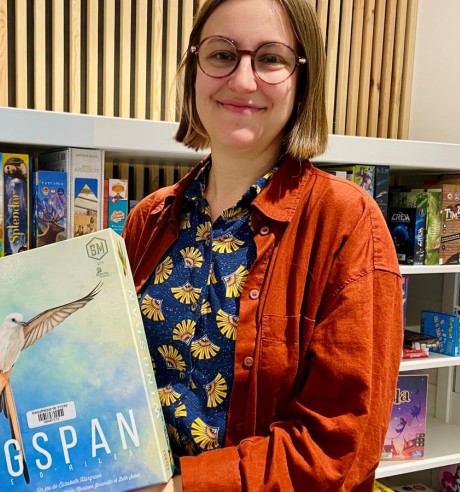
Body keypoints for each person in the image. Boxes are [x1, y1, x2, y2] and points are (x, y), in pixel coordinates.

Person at [123, 0, 403, 490]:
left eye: (271, 58)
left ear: (302, 81)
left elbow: (339, 445)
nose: (242, 80)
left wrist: (180, 488)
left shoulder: (347, 224)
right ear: (194, 70)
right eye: (221, 54)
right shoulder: (149, 220)